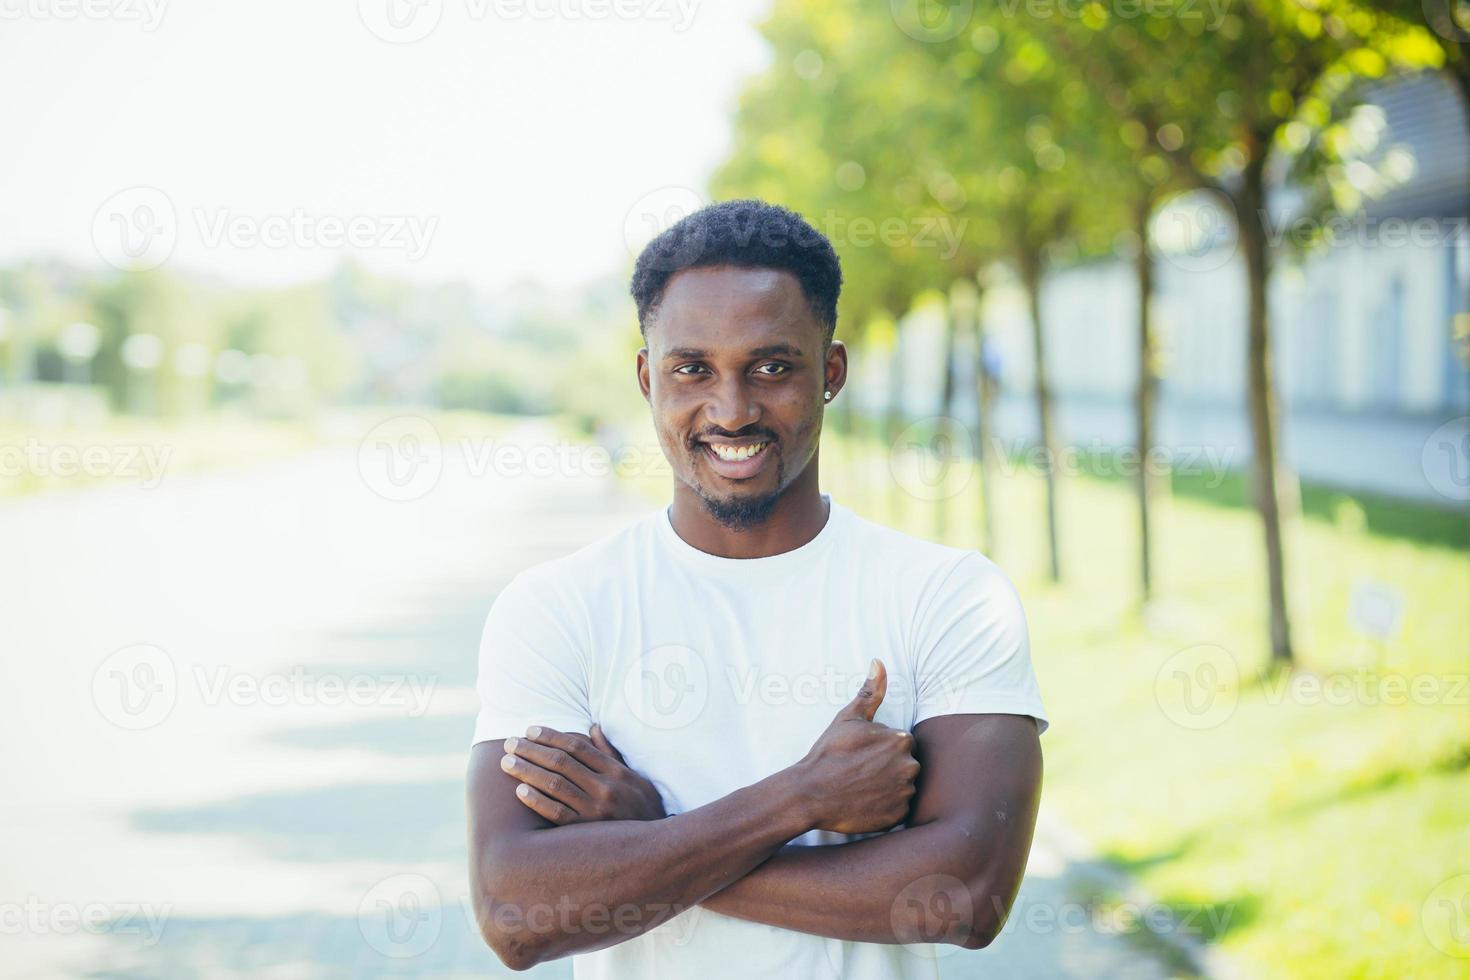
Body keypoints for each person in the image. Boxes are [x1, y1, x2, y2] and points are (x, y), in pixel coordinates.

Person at [466, 200, 1049, 978]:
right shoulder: (557, 607)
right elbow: (516, 916)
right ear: (648, 379)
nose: (732, 409)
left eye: (772, 366)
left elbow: (964, 898)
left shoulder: (947, 596)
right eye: (692, 369)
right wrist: (799, 800)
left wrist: (653, 838)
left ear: (831, 373)